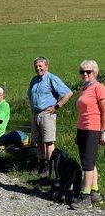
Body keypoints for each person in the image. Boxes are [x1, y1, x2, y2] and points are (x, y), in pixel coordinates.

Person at [28, 57, 73, 175]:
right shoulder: (34, 80)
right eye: (36, 66)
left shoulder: (52, 79)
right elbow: (30, 95)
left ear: (46, 66)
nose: (38, 68)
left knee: (48, 141)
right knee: (38, 142)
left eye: (40, 66)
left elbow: (68, 93)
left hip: (47, 114)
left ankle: (51, 166)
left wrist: (56, 106)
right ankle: (41, 164)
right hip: (35, 114)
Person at [70, 60, 105, 210]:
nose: (85, 74)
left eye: (88, 71)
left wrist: (103, 131)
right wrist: (78, 132)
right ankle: (95, 192)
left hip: (93, 129)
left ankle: (85, 197)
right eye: (82, 71)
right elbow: (82, 112)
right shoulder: (84, 89)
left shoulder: (99, 88)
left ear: (95, 73)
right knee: (89, 161)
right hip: (82, 129)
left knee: (87, 164)